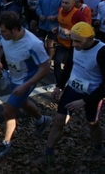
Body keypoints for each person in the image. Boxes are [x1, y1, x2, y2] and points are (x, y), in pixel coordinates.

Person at [35, 22, 105, 165]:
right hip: (72, 88)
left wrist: (85, 101)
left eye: (79, 41)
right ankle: (48, 154)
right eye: (73, 40)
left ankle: (98, 149)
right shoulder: (75, 47)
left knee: (92, 123)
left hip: (92, 93)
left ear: (90, 38)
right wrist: (59, 86)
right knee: (58, 120)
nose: (74, 45)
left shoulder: (102, 52)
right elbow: (69, 67)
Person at [0, 11, 52, 160]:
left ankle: (6, 143)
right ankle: (42, 120)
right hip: (14, 77)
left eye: (4, 31)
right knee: (23, 102)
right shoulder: (4, 35)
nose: (1, 34)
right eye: (0, 30)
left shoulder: (33, 44)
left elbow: (45, 69)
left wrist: (26, 85)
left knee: (8, 111)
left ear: (15, 29)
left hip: (26, 81)